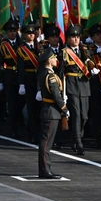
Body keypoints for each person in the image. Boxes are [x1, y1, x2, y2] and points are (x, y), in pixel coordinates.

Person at [63, 25, 99, 156]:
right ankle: (78, 143)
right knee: (76, 115)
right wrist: (62, 91)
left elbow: (91, 61)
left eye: (78, 37)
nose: (76, 39)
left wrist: (92, 69)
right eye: (73, 37)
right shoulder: (64, 52)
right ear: (68, 39)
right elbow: (61, 72)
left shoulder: (85, 51)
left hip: (84, 85)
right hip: (71, 85)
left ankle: (76, 137)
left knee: (84, 116)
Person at [37, 49, 67, 179]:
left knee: (46, 142)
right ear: (49, 61)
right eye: (54, 58)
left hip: (49, 110)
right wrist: (64, 108)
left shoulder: (44, 73)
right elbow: (56, 95)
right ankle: (45, 170)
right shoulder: (50, 76)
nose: (56, 60)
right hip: (51, 111)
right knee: (46, 143)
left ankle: (45, 169)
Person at [17, 22, 42, 143]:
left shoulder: (40, 47)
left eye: (33, 33)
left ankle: (37, 130)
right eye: (28, 33)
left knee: (39, 109)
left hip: (40, 81)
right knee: (31, 108)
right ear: (24, 35)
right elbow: (21, 68)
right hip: (29, 80)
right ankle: (32, 133)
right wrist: (21, 83)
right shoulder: (21, 50)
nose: (31, 35)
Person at [0, 20, 22, 138]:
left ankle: (19, 121)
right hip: (9, 77)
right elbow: (0, 64)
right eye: (10, 31)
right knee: (12, 104)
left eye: (14, 31)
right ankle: (13, 128)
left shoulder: (22, 44)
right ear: (7, 33)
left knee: (20, 103)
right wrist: (0, 81)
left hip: (21, 78)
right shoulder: (3, 46)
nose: (12, 33)